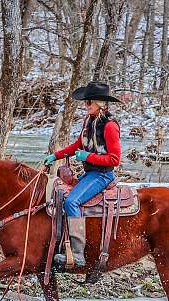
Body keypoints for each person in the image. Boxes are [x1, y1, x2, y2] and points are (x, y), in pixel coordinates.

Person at [43, 81, 121, 268]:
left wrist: (89, 156)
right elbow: (77, 145)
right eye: (85, 102)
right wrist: (56, 155)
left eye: (88, 102)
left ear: (100, 103)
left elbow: (114, 160)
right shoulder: (89, 122)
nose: (85, 106)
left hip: (102, 175)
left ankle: (78, 254)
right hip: (91, 173)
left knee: (72, 201)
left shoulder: (110, 127)